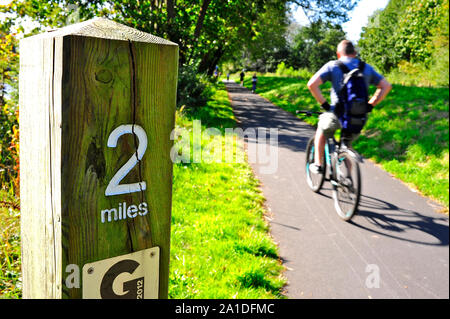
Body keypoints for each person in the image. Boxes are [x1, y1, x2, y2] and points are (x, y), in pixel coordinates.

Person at [307, 40, 392, 174]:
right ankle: (348, 179)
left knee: (321, 130)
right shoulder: (366, 68)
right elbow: (386, 86)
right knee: (346, 145)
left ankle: (317, 164)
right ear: (354, 53)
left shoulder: (333, 65)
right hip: (359, 117)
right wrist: (370, 105)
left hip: (336, 114)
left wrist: (325, 104)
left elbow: (312, 84)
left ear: (338, 53)